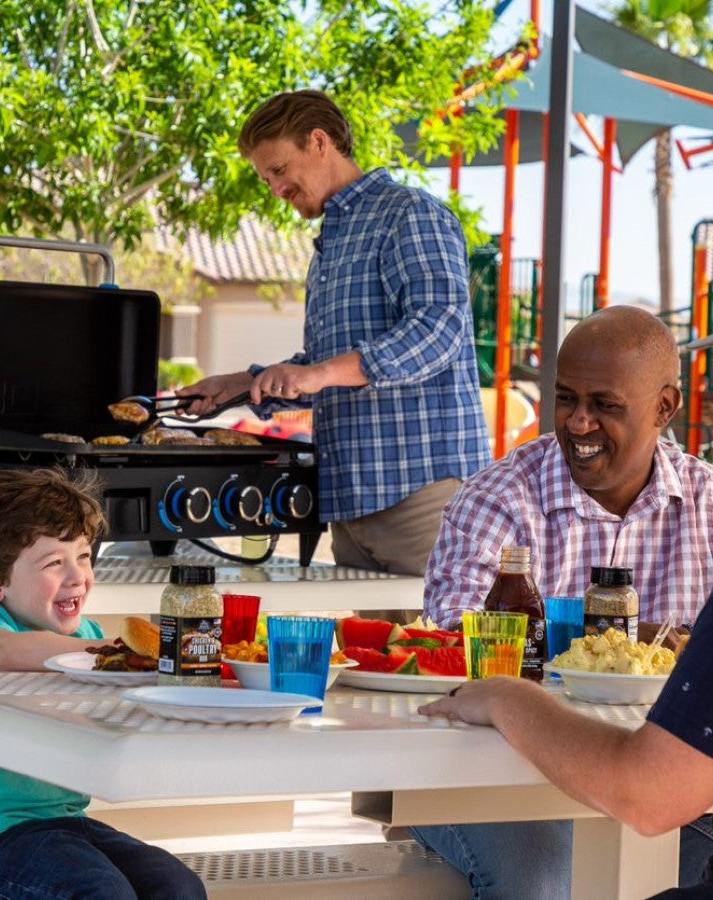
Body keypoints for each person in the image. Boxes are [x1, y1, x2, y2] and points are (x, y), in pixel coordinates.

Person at [417, 237, 713, 899]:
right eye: (565, 399)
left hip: (682, 802)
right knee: (544, 881)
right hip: (500, 778)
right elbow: (457, 657)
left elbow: (651, 793)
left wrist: (512, 695)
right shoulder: (498, 499)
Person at [178, 89, 491, 576]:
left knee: (440, 652)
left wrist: (319, 373)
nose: (275, 189)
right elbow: (328, 370)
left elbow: (439, 329)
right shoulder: (332, 243)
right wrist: (240, 384)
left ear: (319, 142)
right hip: (351, 504)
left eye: (279, 170)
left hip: (423, 497)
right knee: (372, 656)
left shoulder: (410, 213)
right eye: (266, 179)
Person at [0, 468, 206, 900]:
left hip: (68, 821)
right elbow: (6, 652)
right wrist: (113, 651)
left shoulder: (85, 636)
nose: (77, 577)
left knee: (178, 886)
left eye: (83, 557)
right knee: (100, 892)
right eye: (54, 563)